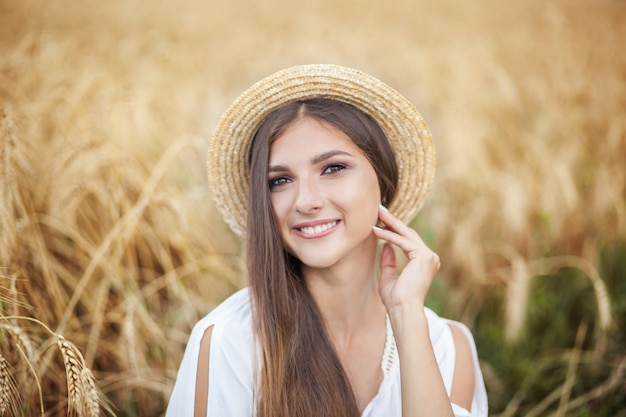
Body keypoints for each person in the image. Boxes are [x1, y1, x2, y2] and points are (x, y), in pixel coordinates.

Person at [166, 64, 488, 417]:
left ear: (383, 180)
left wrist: (406, 314)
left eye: (333, 168)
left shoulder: (448, 348)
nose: (306, 201)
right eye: (279, 181)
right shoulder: (230, 343)